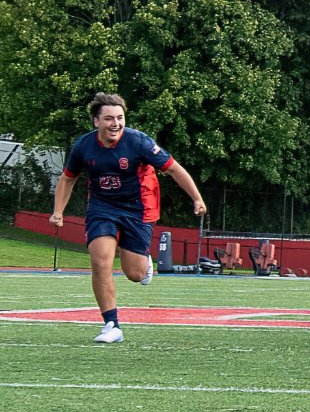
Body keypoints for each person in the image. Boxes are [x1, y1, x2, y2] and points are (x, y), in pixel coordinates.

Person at [51, 92, 208, 344]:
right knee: (100, 260)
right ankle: (111, 325)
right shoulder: (83, 145)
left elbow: (175, 169)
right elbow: (68, 178)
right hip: (102, 208)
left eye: (120, 118)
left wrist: (197, 199)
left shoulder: (139, 142)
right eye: (109, 118)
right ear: (96, 122)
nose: (115, 124)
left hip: (139, 208)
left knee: (134, 274)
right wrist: (58, 211)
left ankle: (143, 261)